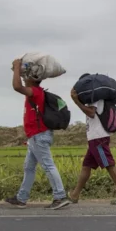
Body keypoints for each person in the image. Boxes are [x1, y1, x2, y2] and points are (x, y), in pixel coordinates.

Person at [5, 59, 70, 210]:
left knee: (48, 165)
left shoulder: (34, 92)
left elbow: (16, 87)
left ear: (32, 79)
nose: (22, 78)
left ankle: (60, 196)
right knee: (29, 167)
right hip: (35, 136)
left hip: (38, 136)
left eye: (25, 76)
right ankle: (21, 198)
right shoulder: (37, 93)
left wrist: (16, 67)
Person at [68, 74, 116, 205]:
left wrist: (77, 102)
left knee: (109, 164)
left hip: (98, 139)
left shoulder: (95, 99)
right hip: (94, 139)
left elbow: (91, 113)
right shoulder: (95, 100)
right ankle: (74, 195)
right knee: (86, 167)